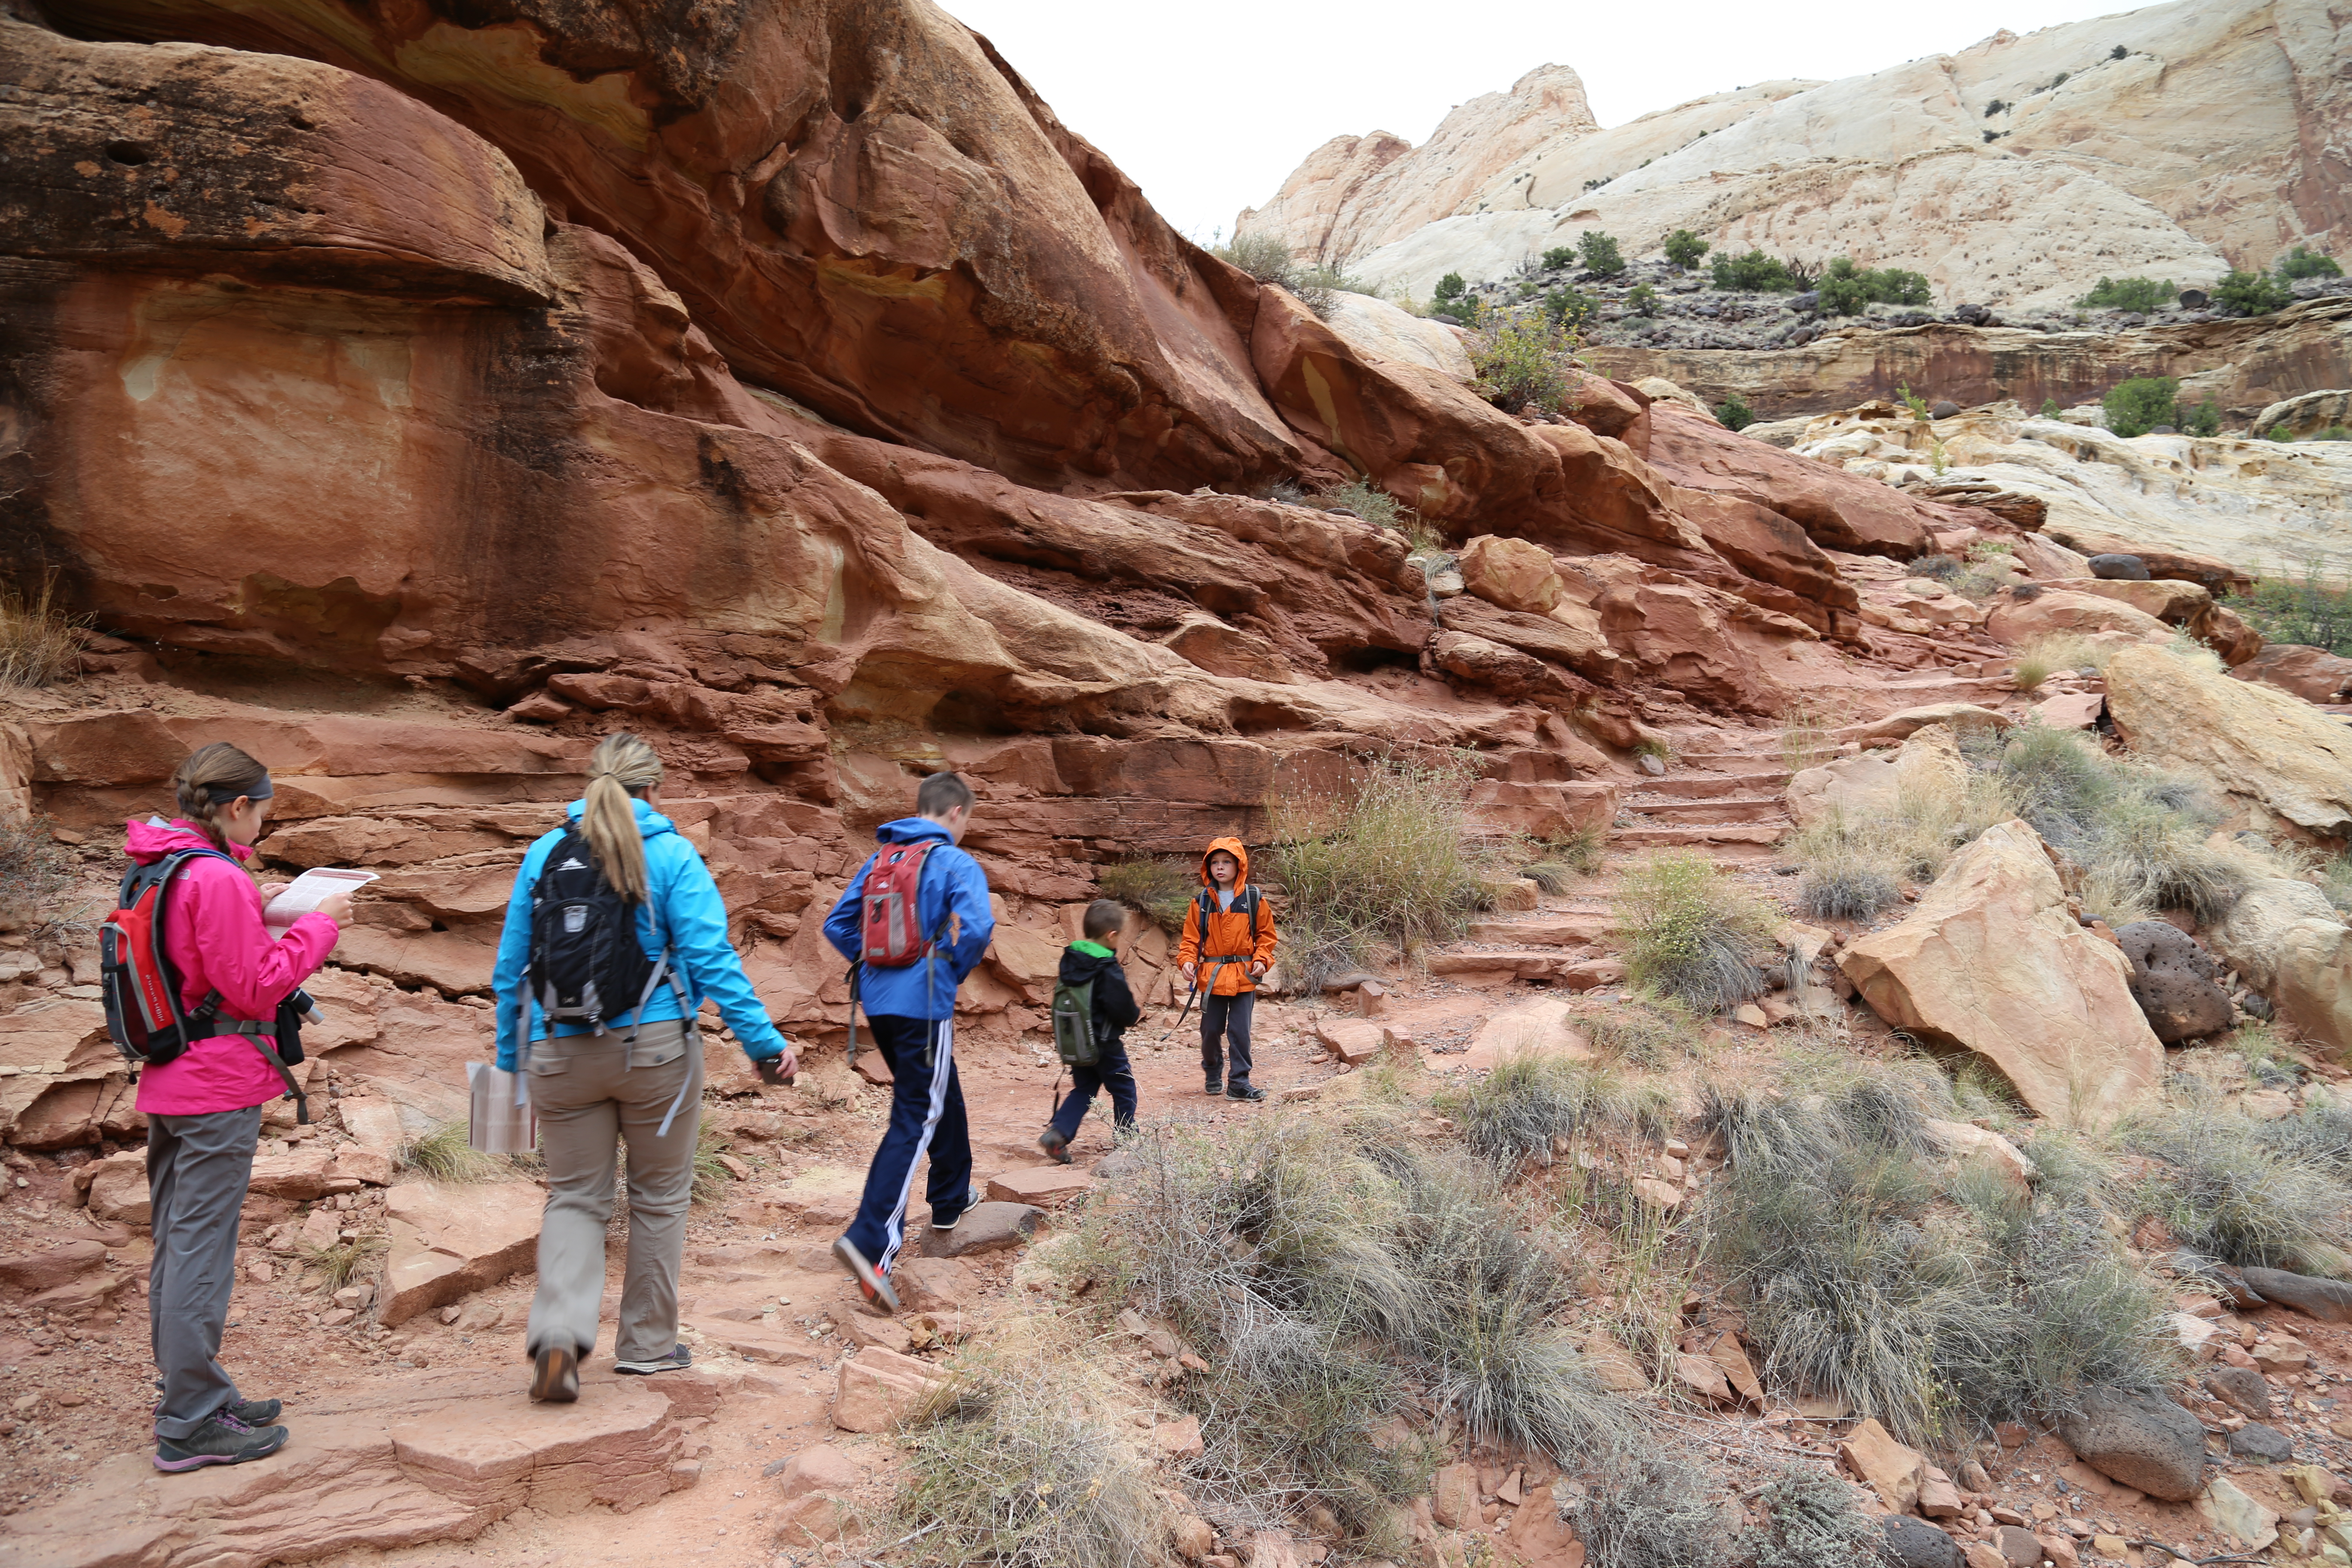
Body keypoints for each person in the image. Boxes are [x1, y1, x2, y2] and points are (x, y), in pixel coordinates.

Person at [493, 733, 796, 1403]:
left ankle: (557, 1340)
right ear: (653, 790)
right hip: (656, 1051)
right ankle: (649, 1346)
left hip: (558, 1053)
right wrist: (763, 1043)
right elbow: (712, 959)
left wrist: (509, 1070)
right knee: (658, 1197)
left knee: (575, 1197)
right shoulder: (670, 853)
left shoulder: (545, 852)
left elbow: (510, 971)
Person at [130, 742, 352, 1470]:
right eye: (264, 811)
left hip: (173, 1073)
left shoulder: (162, 864)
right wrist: (320, 924)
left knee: (179, 1240)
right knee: (201, 1251)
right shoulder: (215, 877)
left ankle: (199, 1393)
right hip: (215, 1083)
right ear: (237, 807)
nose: (264, 823)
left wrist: (261, 902)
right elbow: (254, 987)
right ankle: (191, 1420)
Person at [821, 771, 993, 1312]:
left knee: (939, 1093)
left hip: (879, 1002)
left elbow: (837, 925)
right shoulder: (953, 861)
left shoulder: (880, 861)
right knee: (916, 1113)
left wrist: (877, 965)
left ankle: (948, 1199)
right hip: (924, 1001)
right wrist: (947, 970)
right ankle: (871, 1240)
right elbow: (980, 926)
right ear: (956, 814)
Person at [1037, 898, 1142, 1164]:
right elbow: (1123, 1009)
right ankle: (1126, 1140)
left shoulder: (1071, 959)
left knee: (1084, 1089)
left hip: (1078, 1042)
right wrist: (1133, 1015)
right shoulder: (1106, 967)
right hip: (1106, 1044)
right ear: (1112, 935)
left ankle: (1058, 1134)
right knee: (1124, 1088)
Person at [1176, 836, 1278, 1102]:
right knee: (1210, 1030)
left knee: (1239, 1031)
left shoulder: (1254, 898)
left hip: (1245, 976)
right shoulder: (1201, 902)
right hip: (1212, 976)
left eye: (1227, 862)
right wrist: (1187, 960)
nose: (1220, 868)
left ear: (1239, 865)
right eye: (1215, 863)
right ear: (1208, 867)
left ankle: (1239, 1083)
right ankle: (1213, 1071)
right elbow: (1191, 940)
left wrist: (1262, 959)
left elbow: (1266, 937)